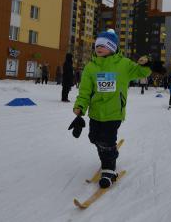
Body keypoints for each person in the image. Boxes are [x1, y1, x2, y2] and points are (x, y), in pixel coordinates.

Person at [68, 29, 163, 189]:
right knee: (94, 138)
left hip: (114, 113)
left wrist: (146, 62)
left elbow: (142, 71)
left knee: (106, 141)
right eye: (97, 46)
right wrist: (79, 108)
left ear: (112, 47)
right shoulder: (91, 67)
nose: (99, 48)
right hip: (96, 112)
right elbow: (84, 91)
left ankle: (109, 170)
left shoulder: (124, 64)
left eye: (103, 46)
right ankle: (109, 154)